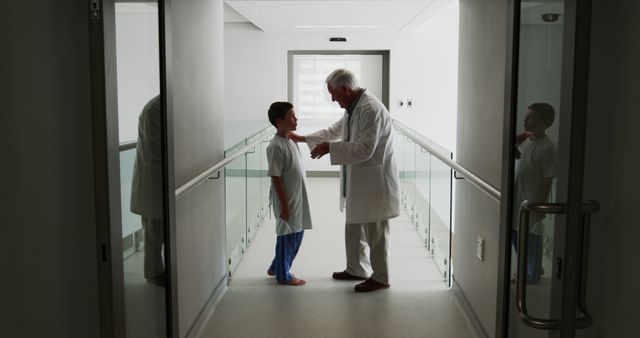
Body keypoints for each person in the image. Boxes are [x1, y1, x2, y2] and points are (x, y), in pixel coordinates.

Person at [289, 69, 400, 292]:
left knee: (375, 232)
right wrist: (304, 138)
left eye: (333, 94)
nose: (332, 99)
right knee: (354, 225)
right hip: (360, 178)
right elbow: (336, 130)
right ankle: (356, 268)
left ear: (346, 89)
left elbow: (366, 149)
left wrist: (329, 148)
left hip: (375, 180)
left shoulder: (369, 108)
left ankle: (381, 277)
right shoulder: (353, 106)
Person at [266, 101, 312, 286]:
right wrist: (284, 205)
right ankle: (283, 275)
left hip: (296, 196)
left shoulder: (290, 140)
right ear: (279, 121)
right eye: (291, 116)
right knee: (288, 235)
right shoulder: (276, 146)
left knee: (297, 232)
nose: (296, 119)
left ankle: (276, 266)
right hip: (287, 199)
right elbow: (275, 177)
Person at [512, 102, 558, 284]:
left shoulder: (547, 148)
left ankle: (531, 274)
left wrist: (540, 205)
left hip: (532, 199)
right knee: (516, 233)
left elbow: (548, 179)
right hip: (518, 196)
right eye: (525, 116)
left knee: (531, 236)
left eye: (530, 117)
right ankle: (534, 267)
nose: (525, 119)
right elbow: (517, 154)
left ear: (544, 122)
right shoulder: (526, 141)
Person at [130, 95, 165, 286]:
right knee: (153, 231)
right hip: (152, 180)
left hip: (161, 180)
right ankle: (154, 273)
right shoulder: (152, 110)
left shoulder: (163, 106)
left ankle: (159, 270)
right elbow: (153, 148)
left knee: (158, 229)